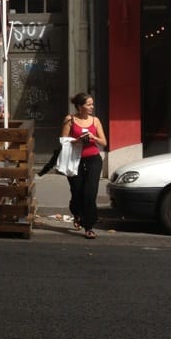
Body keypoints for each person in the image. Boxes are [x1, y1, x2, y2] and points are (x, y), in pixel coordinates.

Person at [61, 91, 107, 239]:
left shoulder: (96, 121)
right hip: (74, 160)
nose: (92, 107)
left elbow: (104, 142)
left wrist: (93, 137)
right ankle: (77, 213)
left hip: (93, 159)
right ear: (80, 107)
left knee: (90, 193)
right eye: (89, 105)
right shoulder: (70, 120)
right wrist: (77, 140)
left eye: (92, 104)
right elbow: (63, 141)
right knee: (77, 192)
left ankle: (89, 226)